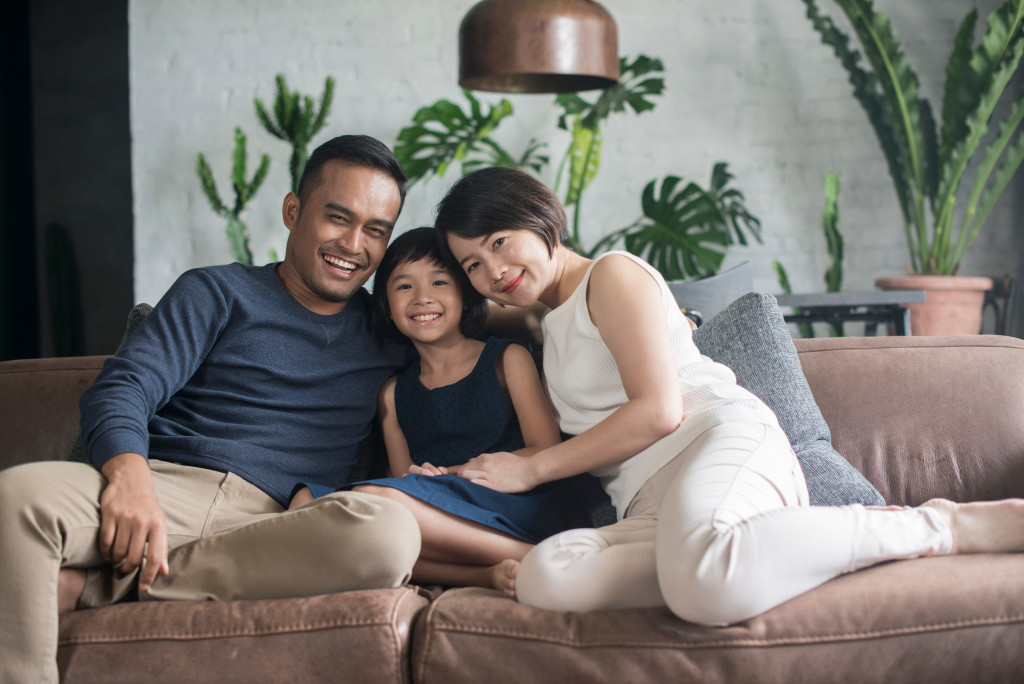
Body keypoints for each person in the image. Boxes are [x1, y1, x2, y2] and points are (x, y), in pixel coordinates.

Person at [434, 166, 1024, 626]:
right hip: (648, 503)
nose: (494, 269)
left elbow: (660, 411)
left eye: (500, 241)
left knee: (705, 586)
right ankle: (763, 548)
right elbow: (459, 332)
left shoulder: (611, 275)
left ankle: (934, 528)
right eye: (474, 264)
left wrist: (531, 467)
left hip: (717, 443)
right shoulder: (543, 327)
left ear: (540, 219)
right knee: (547, 578)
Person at [0, 134, 423, 682]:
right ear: (293, 211)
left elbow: (474, 329)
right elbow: (125, 384)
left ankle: (98, 587)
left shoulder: (391, 328)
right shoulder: (216, 292)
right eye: (337, 218)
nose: (353, 244)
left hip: (277, 526)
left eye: (376, 231)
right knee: (15, 500)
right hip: (164, 488)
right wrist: (129, 476)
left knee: (389, 533)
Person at [289, 226, 592, 595]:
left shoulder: (506, 359)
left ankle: (533, 553)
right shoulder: (393, 393)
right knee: (304, 504)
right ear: (385, 302)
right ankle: (481, 575)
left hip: (513, 501)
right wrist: (422, 477)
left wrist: (452, 472)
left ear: (466, 293)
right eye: (403, 286)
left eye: (439, 283)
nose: (421, 298)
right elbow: (404, 481)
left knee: (375, 506)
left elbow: (544, 448)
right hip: (436, 513)